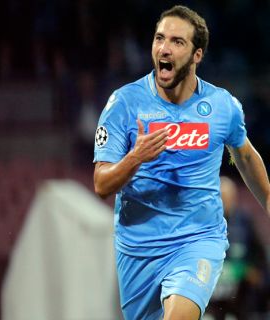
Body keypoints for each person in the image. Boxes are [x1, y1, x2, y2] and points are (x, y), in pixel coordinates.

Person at [93, 5, 270, 320]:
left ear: (197, 55)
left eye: (177, 41)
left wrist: (268, 198)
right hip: (138, 250)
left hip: (198, 239)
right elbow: (101, 184)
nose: (164, 48)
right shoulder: (124, 104)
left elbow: (244, 154)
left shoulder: (221, 106)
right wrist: (136, 157)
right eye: (160, 38)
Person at [207, 176, 269, 319]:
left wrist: (256, 274)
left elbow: (259, 258)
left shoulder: (245, 222)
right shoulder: (203, 225)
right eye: (220, 197)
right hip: (211, 298)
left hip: (240, 298)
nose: (224, 203)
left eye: (227, 197)